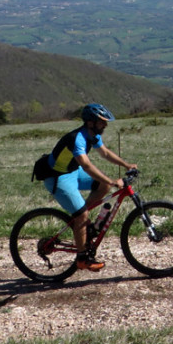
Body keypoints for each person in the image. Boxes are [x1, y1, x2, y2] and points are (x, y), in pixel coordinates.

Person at [43, 103, 136, 271]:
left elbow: (105, 153)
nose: (105, 125)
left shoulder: (92, 135)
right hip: (57, 177)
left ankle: (84, 225)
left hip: (71, 171)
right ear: (90, 122)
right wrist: (111, 180)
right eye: (102, 122)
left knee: (103, 186)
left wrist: (127, 164)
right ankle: (82, 259)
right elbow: (86, 165)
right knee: (82, 214)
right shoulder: (77, 138)